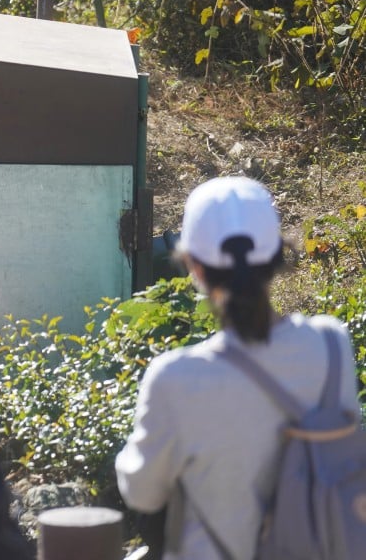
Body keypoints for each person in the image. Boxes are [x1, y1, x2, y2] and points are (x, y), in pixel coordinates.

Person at [115, 176, 360, 559]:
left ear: (193, 266)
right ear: (277, 255)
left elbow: (141, 493)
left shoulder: (175, 377)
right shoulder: (332, 345)